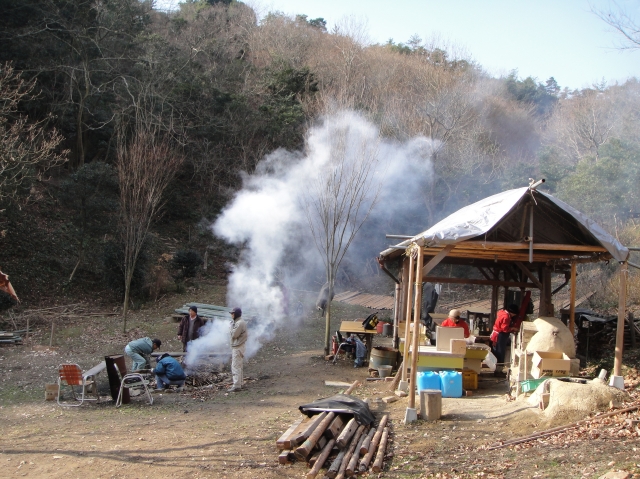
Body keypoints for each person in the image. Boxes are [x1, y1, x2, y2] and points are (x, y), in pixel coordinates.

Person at [490, 304, 520, 371]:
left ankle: (496, 369)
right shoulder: (506, 317)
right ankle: (498, 370)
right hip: (500, 336)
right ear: (512, 313)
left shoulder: (501, 312)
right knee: (500, 354)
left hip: (496, 334)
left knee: (496, 352)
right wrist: (513, 328)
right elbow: (504, 329)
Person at [229, 307, 247, 392]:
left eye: (232, 313)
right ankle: (240, 383)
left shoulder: (239, 323)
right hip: (239, 346)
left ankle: (236, 385)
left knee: (235, 366)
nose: (231, 315)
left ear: (236, 314)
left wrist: (231, 327)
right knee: (239, 365)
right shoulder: (239, 322)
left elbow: (234, 335)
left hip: (238, 346)